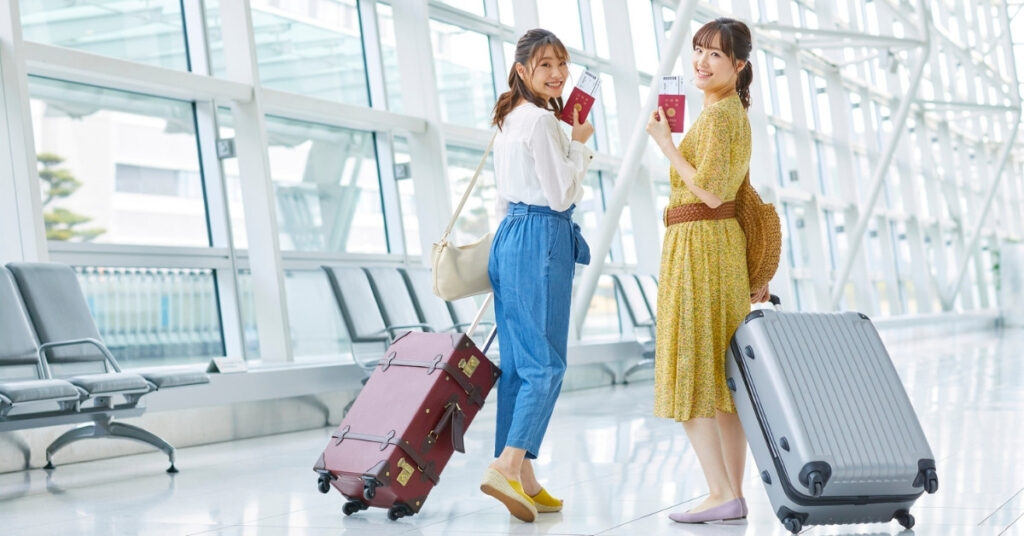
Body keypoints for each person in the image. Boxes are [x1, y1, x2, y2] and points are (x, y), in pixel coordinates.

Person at [645, 17, 769, 524]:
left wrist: (666, 143)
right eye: (698, 50)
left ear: (739, 66)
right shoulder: (727, 115)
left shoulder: (720, 119)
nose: (701, 61)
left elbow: (713, 192)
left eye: (715, 54)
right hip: (717, 248)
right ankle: (731, 492)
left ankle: (721, 491)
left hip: (699, 247)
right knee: (723, 379)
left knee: (691, 369)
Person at [478, 28, 594, 523]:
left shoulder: (509, 119)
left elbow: (505, 198)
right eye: (545, 65)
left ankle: (523, 476)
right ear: (522, 71)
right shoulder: (545, 125)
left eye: (562, 64)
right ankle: (506, 465)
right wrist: (580, 145)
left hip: (511, 236)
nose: (557, 74)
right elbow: (561, 195)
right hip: (542, 237)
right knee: (546, 366)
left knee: (521, 366)